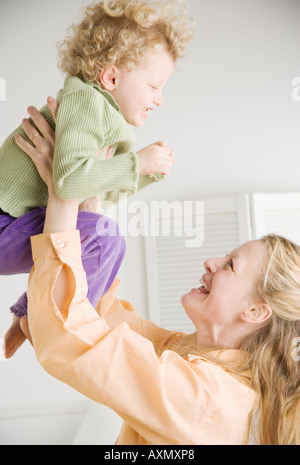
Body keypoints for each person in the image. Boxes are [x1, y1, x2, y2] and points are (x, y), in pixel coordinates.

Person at [17, 105, 300, 445]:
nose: (211, 261)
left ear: (255, 311)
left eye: (230, 266)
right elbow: (107, 321)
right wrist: (87, 221)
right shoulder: (190, 350)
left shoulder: (207, 397)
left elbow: (70, 335)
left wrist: (61, 198)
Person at [0, 0, 194, 357]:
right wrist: (138, 163)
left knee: (97, 233)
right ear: (111, 77)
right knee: (105, 239)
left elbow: (91, 192)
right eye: (154, 86)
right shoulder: (88, 103)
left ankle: (35, 315)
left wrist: (147, 174)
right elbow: (70, 183)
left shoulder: (97, 111)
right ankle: (58, 324)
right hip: (3, 224)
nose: (160, 99)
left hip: (11, 225)